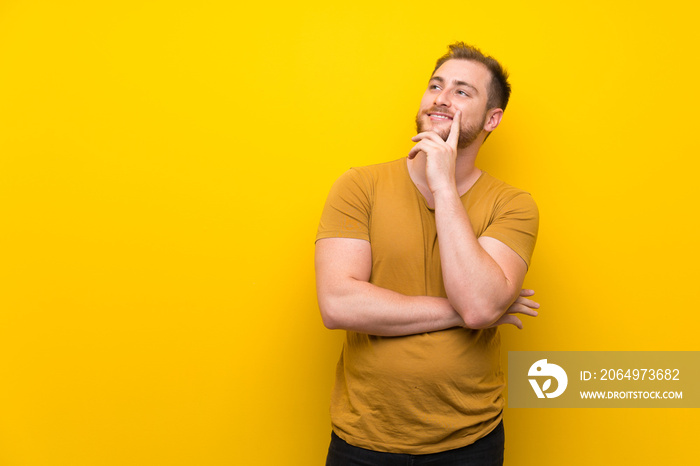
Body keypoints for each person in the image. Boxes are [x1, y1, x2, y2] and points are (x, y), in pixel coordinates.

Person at [315, 42, 540, 466]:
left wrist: (443, 186)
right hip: (363, 441)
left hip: (470, 443)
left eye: (461, 91)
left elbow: (478, 305)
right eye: (435, 85)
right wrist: (463, 312)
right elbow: (337, 304)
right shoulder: (359, 186)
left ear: (493, 118)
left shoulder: (513, 206)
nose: (440, 97)